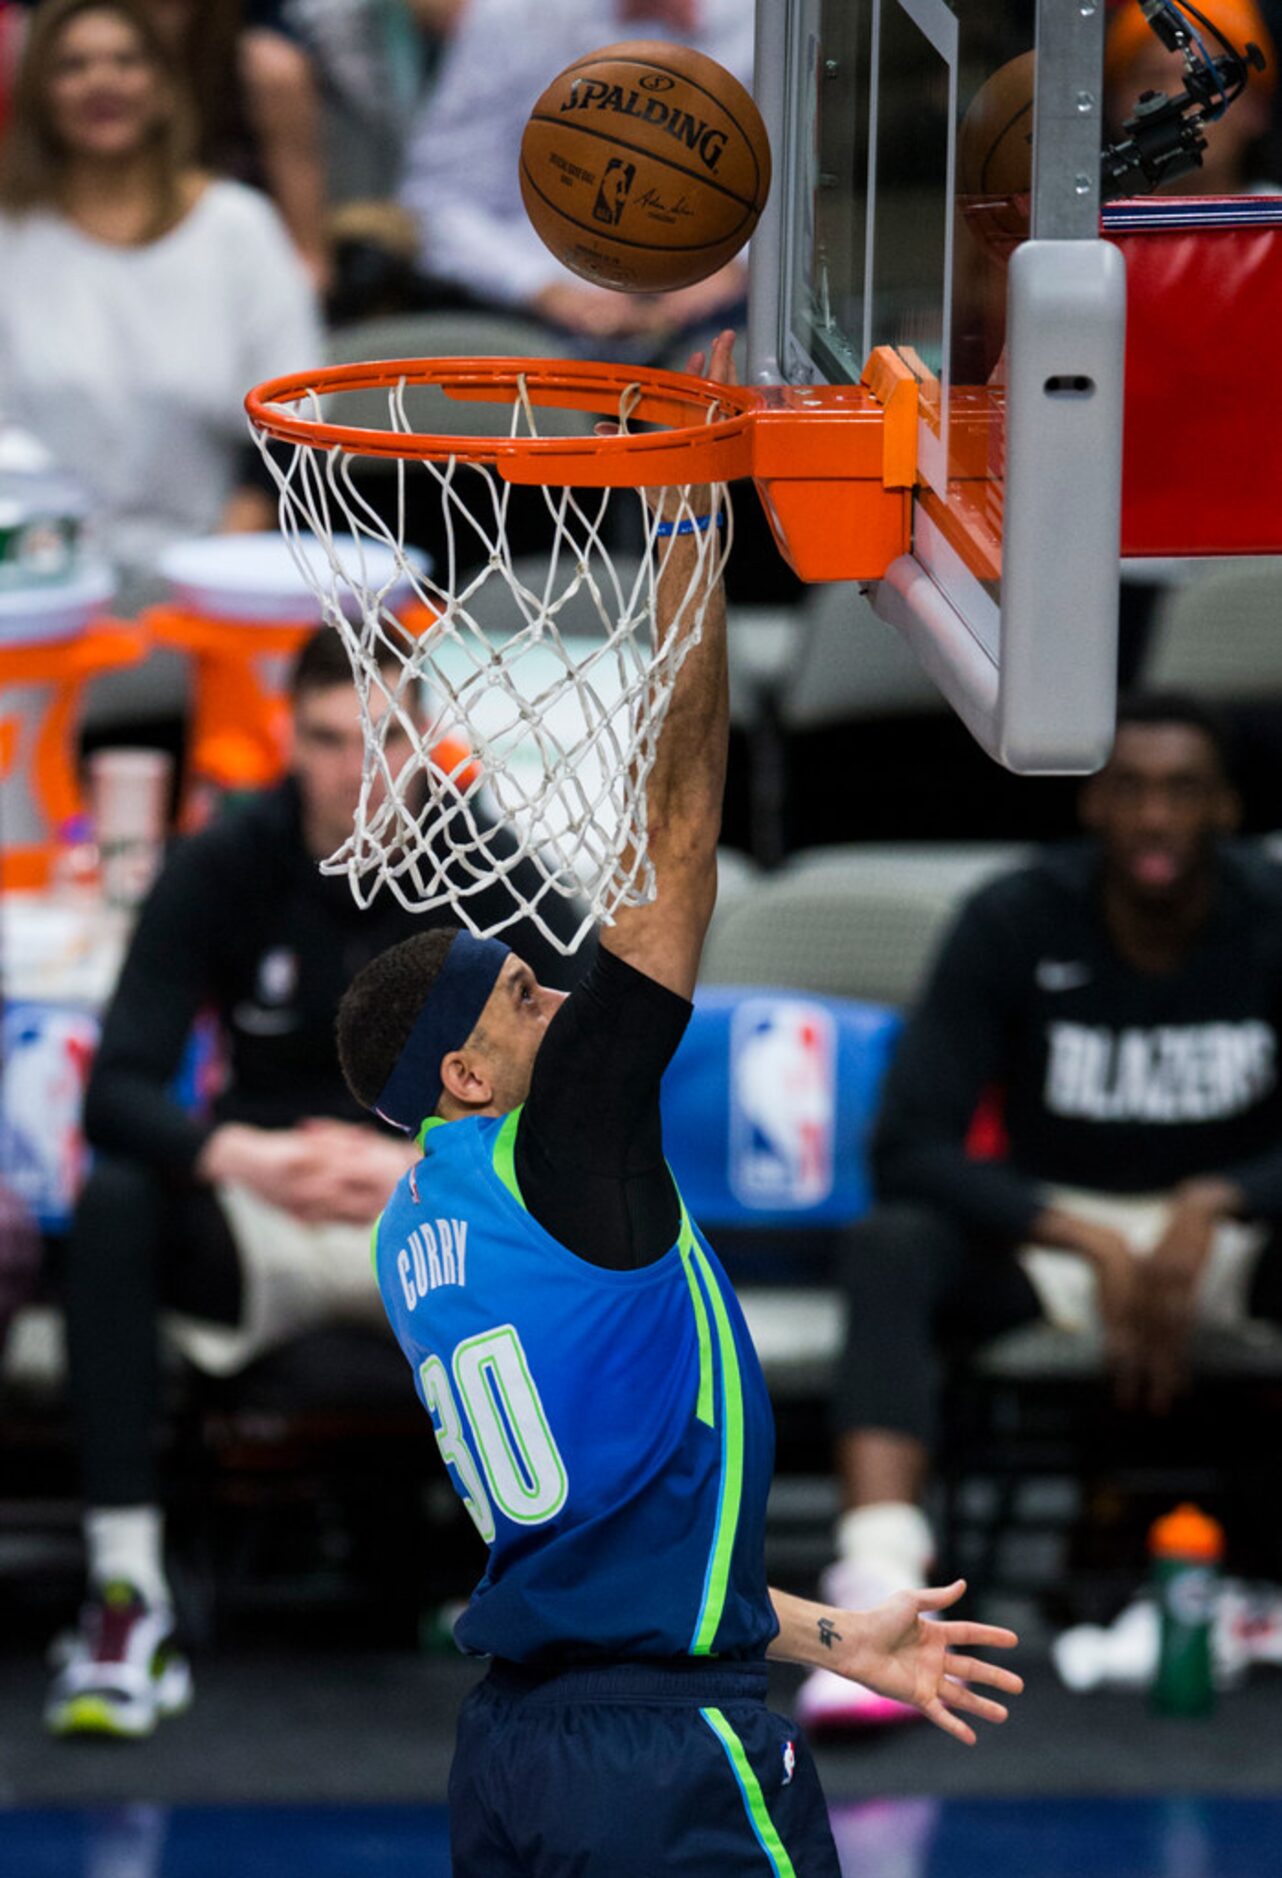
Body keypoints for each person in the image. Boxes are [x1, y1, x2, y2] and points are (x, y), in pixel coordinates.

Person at [334, 332, 1022, 1877]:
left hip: (514, 1753)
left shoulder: (416, 1231)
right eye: (525, 998)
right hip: (663, 1758)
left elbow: (615, 1546)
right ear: (464, 1073)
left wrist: (834, 1632)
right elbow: (679, 841)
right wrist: (690, 530)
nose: (561, 1001)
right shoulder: (563, 1147)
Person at [45, 627, 588, 1739]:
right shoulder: (230, 860)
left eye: (389, 737)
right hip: (269, 1217)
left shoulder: (483, 861)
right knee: (116, 1201)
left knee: (594, 1202)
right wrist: (253, 1158)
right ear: (289, 744)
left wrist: (417, 1159)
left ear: (431, 743)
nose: (362, 769)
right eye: (334, 740)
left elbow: (603, 1065)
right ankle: (125, 1592)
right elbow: (118, 1090)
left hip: (444, 1215)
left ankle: (574, 1584)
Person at [798, 692, 1282, 1733]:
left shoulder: (1271, 915)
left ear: (1228, 809)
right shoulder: (1013, 917)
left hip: (1236, 1239)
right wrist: (1080, 1233)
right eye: (1132, 789)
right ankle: (877, 1593)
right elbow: (908, 1146)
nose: (1155, 817)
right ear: (1094, 805)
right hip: (1056, 1239)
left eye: (1183, 791)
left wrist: (1218, 1200)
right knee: (891, 1246)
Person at [0, 0, 322, 608]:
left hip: (210, 585)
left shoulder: (240, 229)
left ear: (166, 86)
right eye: (73, 65)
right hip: (32, 590)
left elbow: (294, 430)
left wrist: (213, 577)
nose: (102, 81)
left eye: (126, 61)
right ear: (40, 91)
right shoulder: (9, 236)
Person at [397, 0, 754, 345]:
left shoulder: (774, 17)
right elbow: (439, 199)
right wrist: (539, 286)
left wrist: (738, 265)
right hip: (537, 311)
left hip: (727, 305)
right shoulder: (510, 14)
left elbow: (800, 188)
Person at [1104, 0, 1279, 195]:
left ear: (1258, 105)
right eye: (1153, 75)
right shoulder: (1080, 221)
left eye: (1207, 81)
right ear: (1113, 102)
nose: (1174, 92)